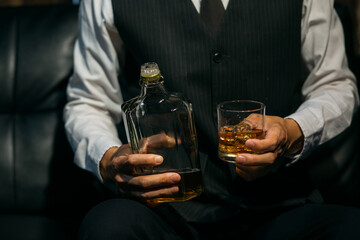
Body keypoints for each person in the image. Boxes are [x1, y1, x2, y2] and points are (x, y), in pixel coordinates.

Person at [64, 0, 360, 239]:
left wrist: (293, 131)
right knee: (106, 226)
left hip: (279, 205)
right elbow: (88, 101)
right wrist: (107, 159)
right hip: (166, 213)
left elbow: (334, 84)